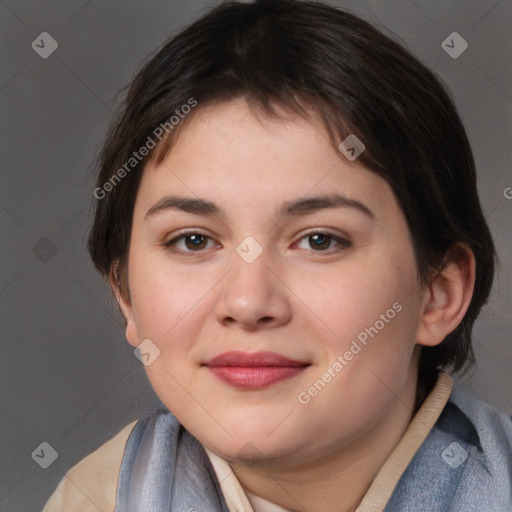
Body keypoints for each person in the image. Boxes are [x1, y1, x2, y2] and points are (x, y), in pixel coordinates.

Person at [43, 0, 512, 510]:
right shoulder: (97, 498)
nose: (248, 302)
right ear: (125, 294)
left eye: (319, 240)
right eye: (193, 240)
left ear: (437, 294)